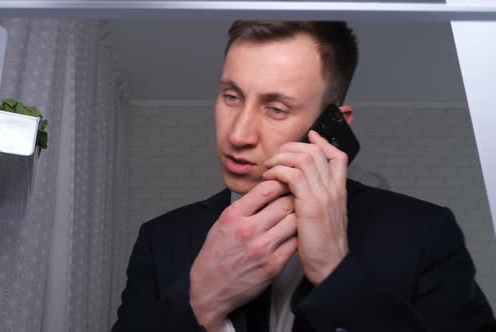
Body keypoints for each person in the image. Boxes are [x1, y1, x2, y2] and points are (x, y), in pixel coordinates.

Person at [111, 21, 496, 332]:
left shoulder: (425, 233)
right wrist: (203, 299)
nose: (238, 135)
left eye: (276, 108)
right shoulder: (160, 240)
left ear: (333, 125)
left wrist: (335, 271)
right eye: (231, 97)